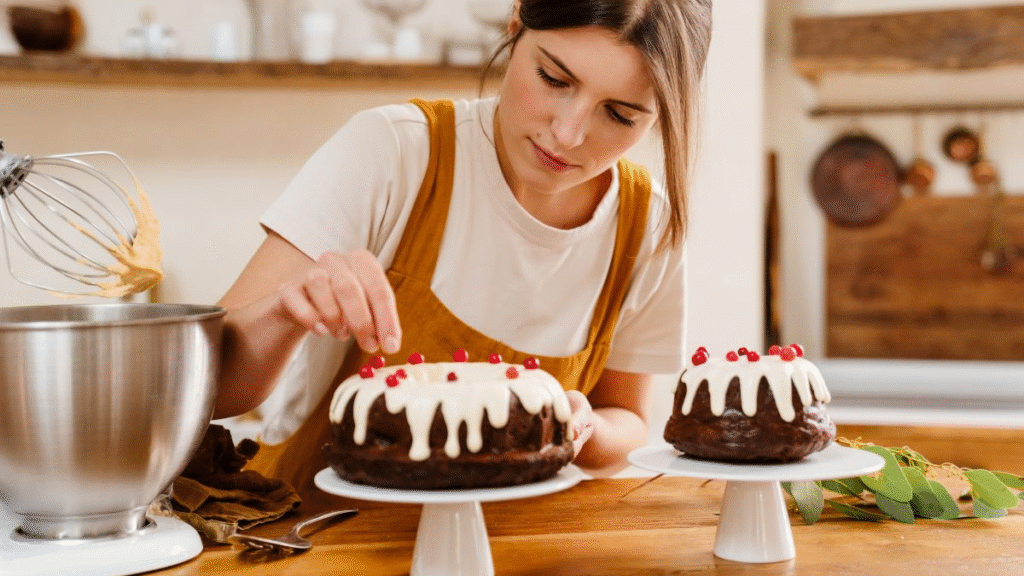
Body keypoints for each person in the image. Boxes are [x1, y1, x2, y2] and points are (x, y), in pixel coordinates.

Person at [213, 0, 713, 496]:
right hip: (325, 538)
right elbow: (211, 388)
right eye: (554, 80)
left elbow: (626, 419)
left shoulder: (647, 224)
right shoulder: (394, 152)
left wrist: (587, 428)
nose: (568, 133)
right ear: (515, 23)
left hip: (517, 549)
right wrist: (286, 310)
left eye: (621, 115)